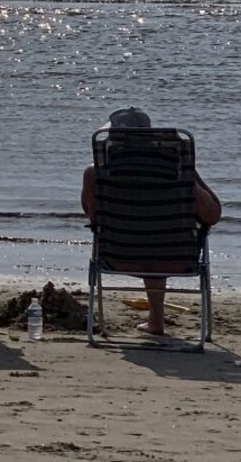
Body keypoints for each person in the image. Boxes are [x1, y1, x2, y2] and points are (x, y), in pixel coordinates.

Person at [80, 107, 221, 335]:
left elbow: (93, 216)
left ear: (113, 138)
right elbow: (212, 215)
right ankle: (156, 320)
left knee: (142, 233)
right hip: (175, 257)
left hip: (118, 256)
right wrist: (189, 174)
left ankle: (155, 322)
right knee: (157, 238)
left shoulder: (96, 174)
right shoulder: (177, 170)